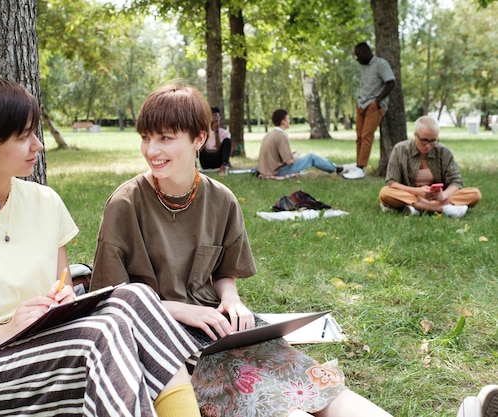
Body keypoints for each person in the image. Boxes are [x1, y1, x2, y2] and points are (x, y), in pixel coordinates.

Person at [0, 77, 202, 417]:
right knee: (101, 334)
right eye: (23, 136)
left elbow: (63, 290)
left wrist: (64, 301)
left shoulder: (45, 202)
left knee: (137, 296)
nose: (38, 145)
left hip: (45, 344)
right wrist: (4, 330)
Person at [90, 83, 393, 417]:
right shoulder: (125, 203)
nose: (151, 150)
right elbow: (111, 300)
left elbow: (224, 272)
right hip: (161, 338)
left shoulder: (221, 199)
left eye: (164, 138)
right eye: (146, 137)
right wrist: (180, 310)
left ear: (199, 139)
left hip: (220, 327)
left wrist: (231, 300)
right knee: (275, 405)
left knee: (315, 385)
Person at [378, 115, 482, 217]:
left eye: (433, 140)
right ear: (415, 135)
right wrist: (417, 191)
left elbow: (456, 182)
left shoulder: (443, 152)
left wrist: (443, 195)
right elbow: (392, 182)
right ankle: (442, 208)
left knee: (475, 194)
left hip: (438, 197)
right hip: (411, 195)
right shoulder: (400, 149)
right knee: (385, 193)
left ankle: (417, 208)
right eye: (424, 140)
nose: (428, 145)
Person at [343, 41, 395, 180]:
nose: (357, 58)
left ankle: (361, 168)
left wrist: (377, 101)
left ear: (366, 53)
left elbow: (391, 83)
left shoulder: (380, 64)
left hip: (374, 105)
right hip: (361, 103)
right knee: (359, 136)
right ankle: (358, 163)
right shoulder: (365, 67)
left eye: (358, 55)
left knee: (367, 136)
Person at [257, 108, 346, 179]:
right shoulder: (281, 136)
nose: (289, 121)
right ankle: (336, 169)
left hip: (267, 170)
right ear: (283, 121)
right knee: (311, 157)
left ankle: (334, 166)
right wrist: (297, 154)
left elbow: (277, 156)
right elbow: (289, 161)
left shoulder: (270, 134)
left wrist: (292, 154)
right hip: (278, 171)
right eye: (288, 118)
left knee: (305, 157)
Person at [199, 106, 231, 175]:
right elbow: (203, 148)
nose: (215, 120)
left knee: (227, 141)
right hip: (206, 160)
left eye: (217, 118)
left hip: (218, 160)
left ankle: (224, 166)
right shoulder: (204, 132)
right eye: (213, 118)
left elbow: (218, 148)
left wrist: (216, 132)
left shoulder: (225, 133)